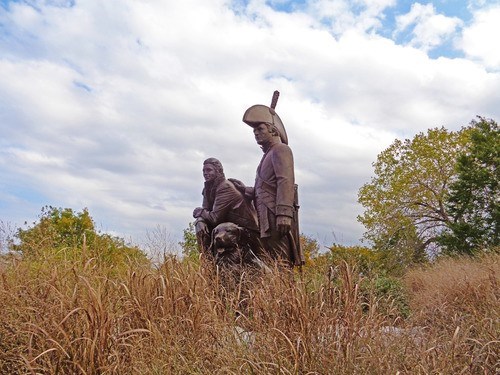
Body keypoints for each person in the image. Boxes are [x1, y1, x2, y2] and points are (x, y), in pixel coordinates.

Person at [231, 104, 303, 267]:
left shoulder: (281, 150)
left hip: (275, 214)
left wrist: (284, 214)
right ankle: (275, 291)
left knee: (281, 260)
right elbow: (265, 187)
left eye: (260, 129)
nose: (256, 133)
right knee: (271, 260)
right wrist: (246, 190)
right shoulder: (268, 155)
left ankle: (284, 291)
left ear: (273, 130)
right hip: (266, 217)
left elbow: (285, 181)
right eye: (254, 131)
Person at [193, 158, 263, 265]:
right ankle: (208, 264)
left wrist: (200, 212)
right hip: (227, 228)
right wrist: (200, 220)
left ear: (218, 171)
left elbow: (214, 218)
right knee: (200, 224)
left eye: (209, 170)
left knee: (203, 222)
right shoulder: (208, 187)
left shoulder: (225, 187)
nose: (205, 173)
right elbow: (205, 210)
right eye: (204, 171)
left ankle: (210, 265)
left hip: (246, 232)